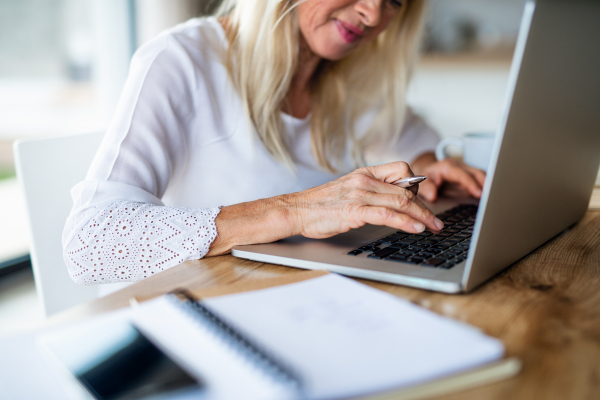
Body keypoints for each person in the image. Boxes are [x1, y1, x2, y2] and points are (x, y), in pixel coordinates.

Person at [63, 0, 486, 286]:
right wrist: (298, 210)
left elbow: (414, 145)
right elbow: (88, 243)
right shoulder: (181, 61)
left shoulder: (349, 76)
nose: (373, 13)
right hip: (209, 309)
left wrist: (432, 162)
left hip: (308, 299)